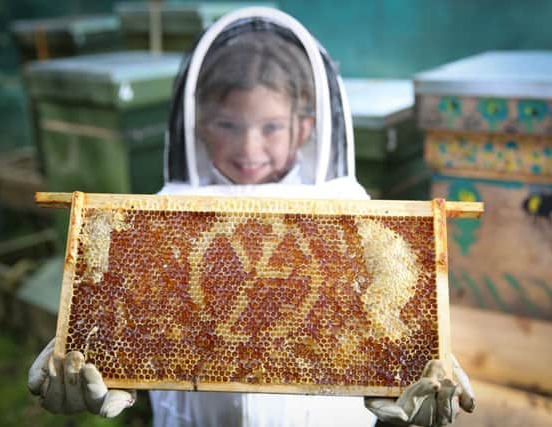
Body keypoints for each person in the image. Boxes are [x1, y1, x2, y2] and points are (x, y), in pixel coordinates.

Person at [28, 7, 475, 427]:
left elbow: (389, 319)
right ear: (200, 124)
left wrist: (417, 362)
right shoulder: (160, 222)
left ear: (303, 127)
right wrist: (91, 348)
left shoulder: (351, 218)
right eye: (228, 125)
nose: (248, 148)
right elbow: (133, 320)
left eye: (271, 127)